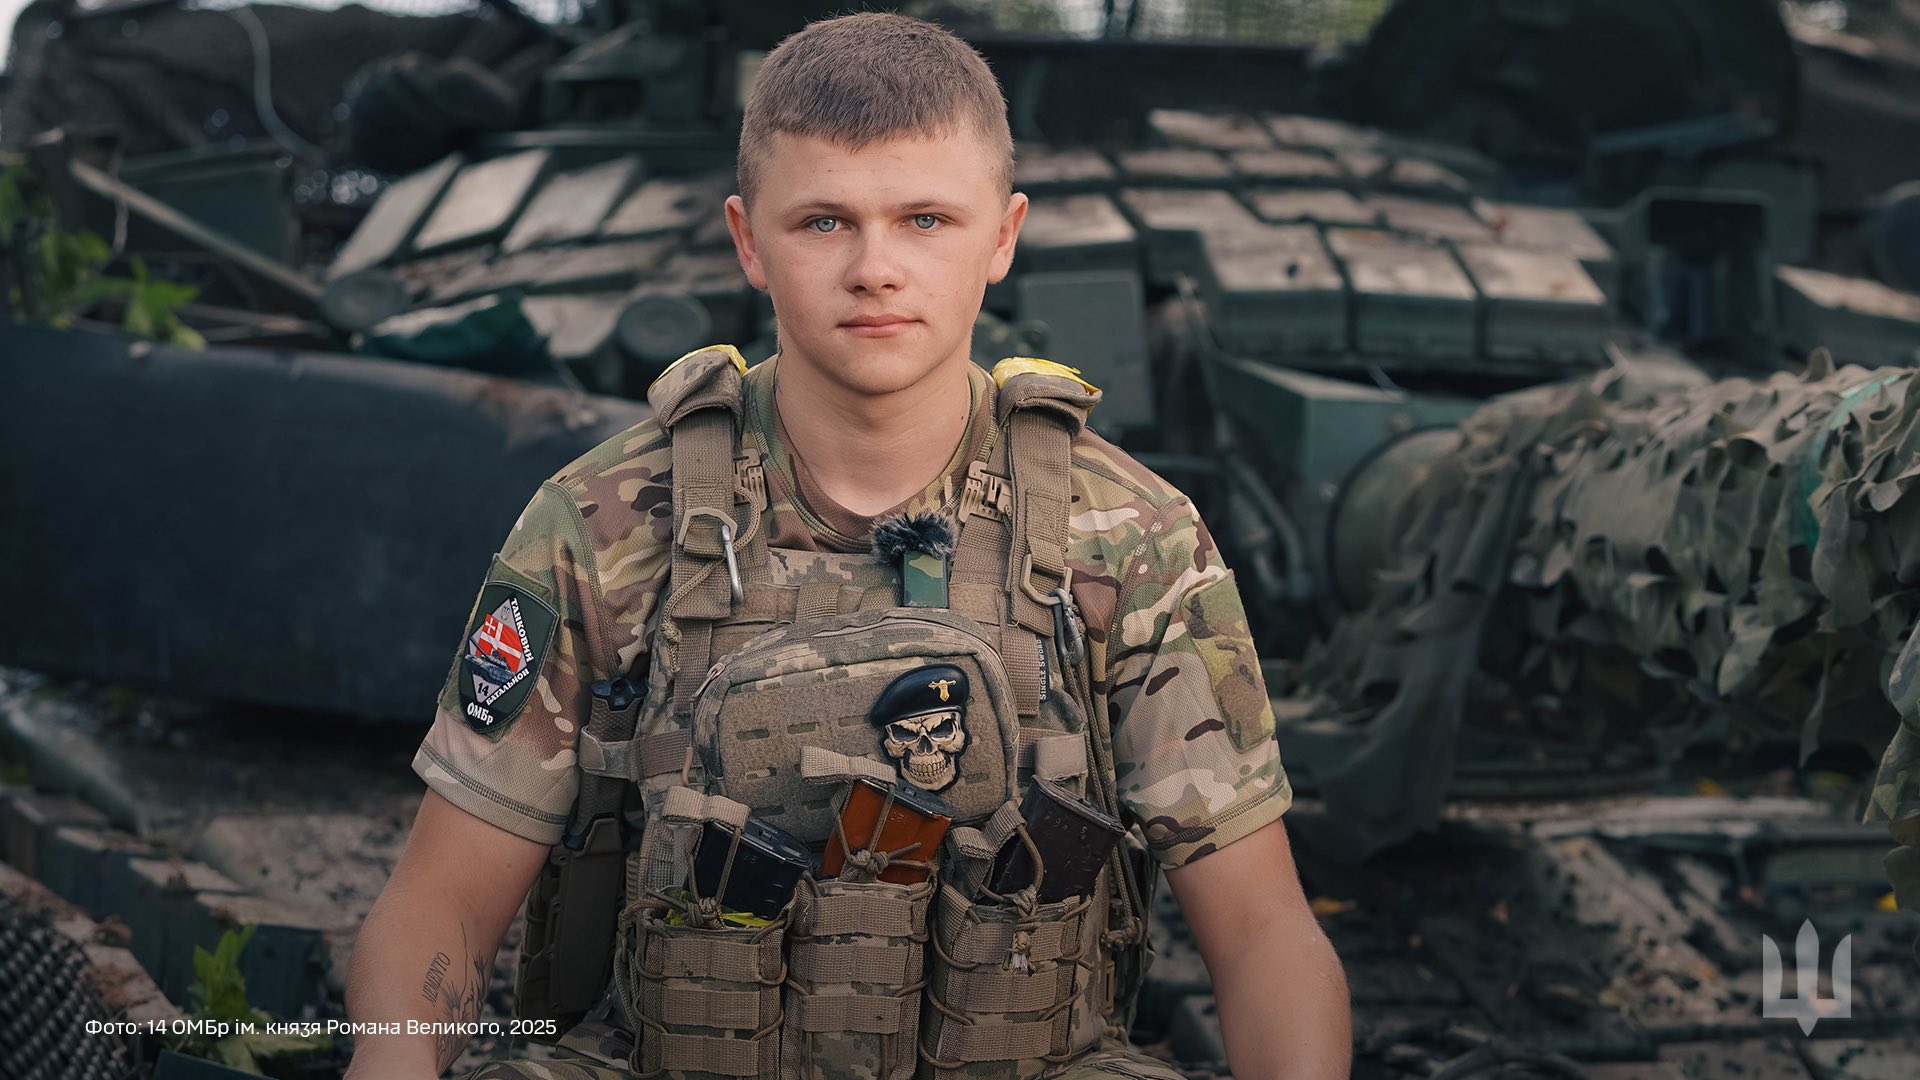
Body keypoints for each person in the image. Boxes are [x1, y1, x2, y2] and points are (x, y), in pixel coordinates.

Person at [343, 12, 1349, 1079]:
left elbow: (1262, 933)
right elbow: (445, 902)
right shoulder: (609, 519)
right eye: (824, 221)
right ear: (748, 241)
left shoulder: (1131, 536)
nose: (876, 268)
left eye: (925, 219)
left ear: (1003, 236)